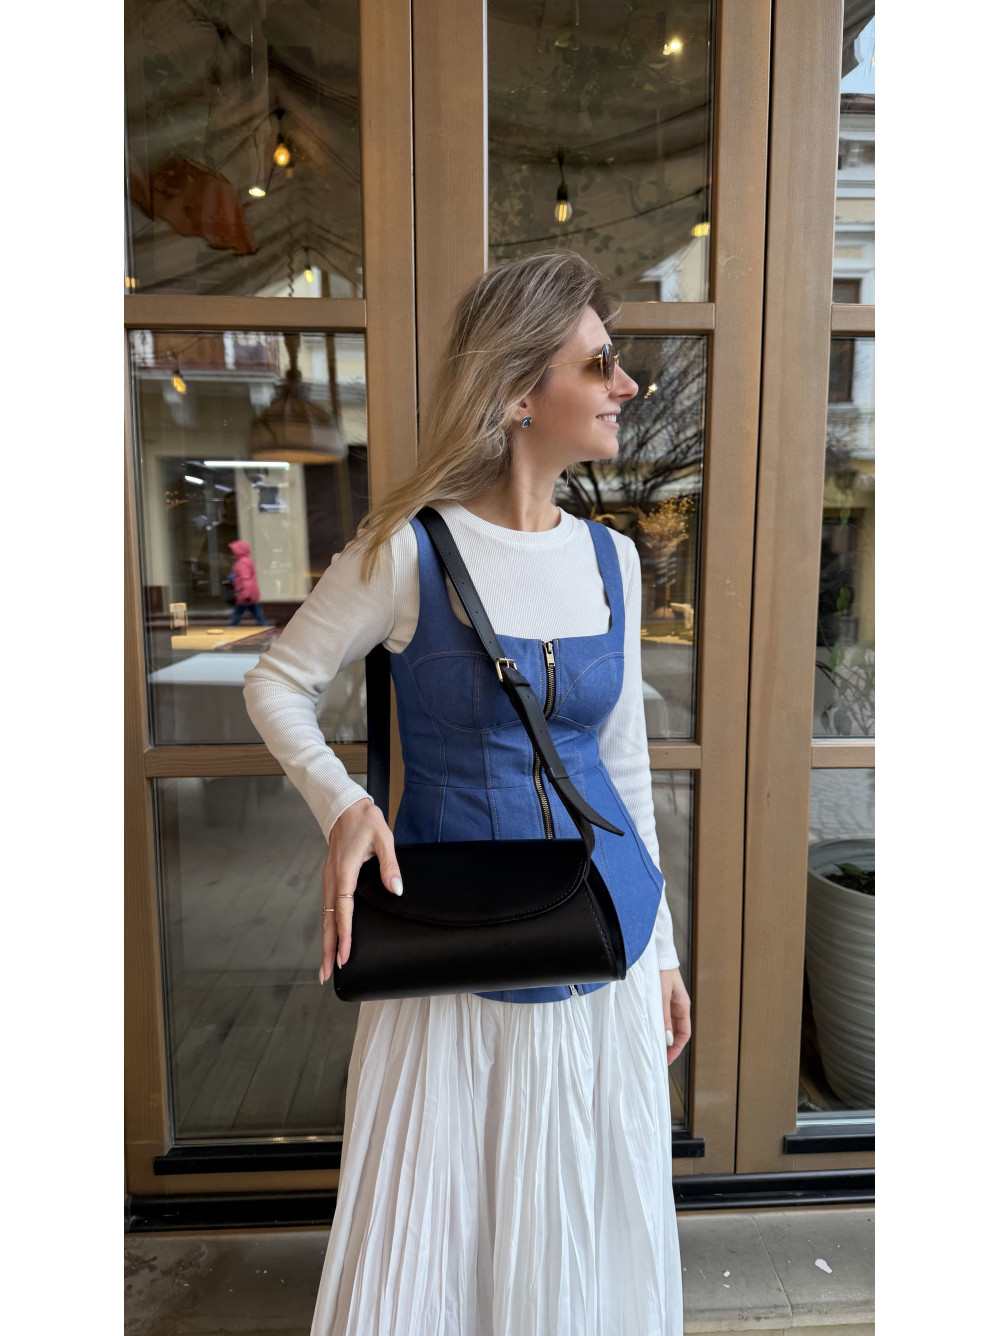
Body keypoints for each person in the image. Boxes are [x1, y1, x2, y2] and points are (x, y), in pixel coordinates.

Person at [243, 250, 692, 1336]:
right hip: (457, 964)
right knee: (450, 1226)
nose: (627, 385)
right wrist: (345, 803)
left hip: (603, 945)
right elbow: (278, 683)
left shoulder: (613, 561)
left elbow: (622, 765)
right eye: (600, 364)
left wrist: (664, 951)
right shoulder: (406, 551)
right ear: (518, 391)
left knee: (583, 1207)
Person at [227, 539, 267, 626]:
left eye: (234, 550)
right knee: (257, 613)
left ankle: (231, 629)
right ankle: (266, 628)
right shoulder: (246, 560)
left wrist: (245, 594)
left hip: (244, 593)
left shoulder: (243, 562)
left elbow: (245, 579)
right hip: (251, 593)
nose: (233, 553)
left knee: (237, 614)